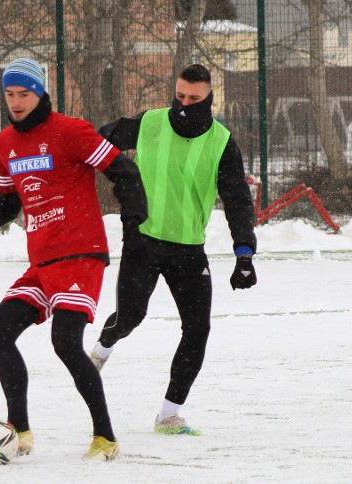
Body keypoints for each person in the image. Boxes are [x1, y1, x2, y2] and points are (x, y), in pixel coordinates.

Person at [0, 58, 147, 461]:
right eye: (9, 94)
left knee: (65, 341)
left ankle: (105, 438)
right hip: (43, 262)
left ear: (41, 92)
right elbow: (5, 205)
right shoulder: (4, 144)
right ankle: (21, 431)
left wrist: (133, 222)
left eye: (23, 94)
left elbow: (124, 171)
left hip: (81, 256)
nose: (15, 101)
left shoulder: (72, 131)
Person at [89, 63, 258, 436]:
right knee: (130, 317)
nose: (184, 104)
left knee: (198, 330)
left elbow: (237, 199)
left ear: (209, 99)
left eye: (193, 99)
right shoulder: (148, 123)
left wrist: (244, 252)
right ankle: (101, 350)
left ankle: (168, 415)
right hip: (142, 242)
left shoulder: (222, 142)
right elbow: (94, 143)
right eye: (179, 96)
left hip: (188, 251)